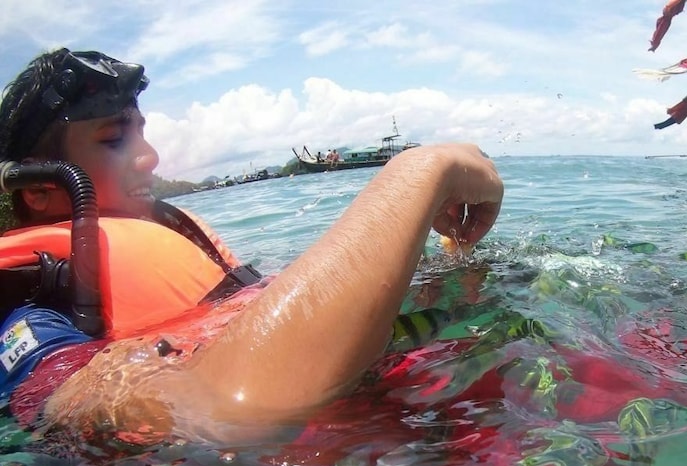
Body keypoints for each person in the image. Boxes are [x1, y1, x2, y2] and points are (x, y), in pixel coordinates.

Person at [0, 48, 502, 444]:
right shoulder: (31, 324)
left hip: (405, 415)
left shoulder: (178, 245)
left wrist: (446, 261)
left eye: (142, 134)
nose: (149, 156)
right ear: (40, 188)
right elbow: (220, 412)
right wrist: (419, 173)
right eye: (114, 140)